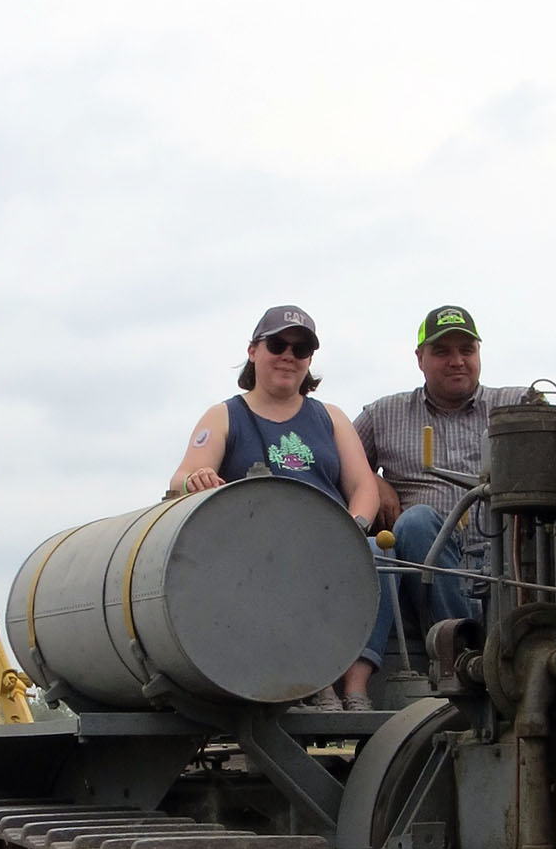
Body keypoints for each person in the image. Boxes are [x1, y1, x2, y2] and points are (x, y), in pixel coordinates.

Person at [171, 305, 386, 711]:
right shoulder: (223, 416)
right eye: (277, 344)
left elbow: (363, 486)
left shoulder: (330, 417)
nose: (289, 355)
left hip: (333, 538)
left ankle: (355, 688)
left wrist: (354, 527)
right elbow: (181, 478)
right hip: (258, 548)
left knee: (375, 556)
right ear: (253, 352)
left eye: (301, 349)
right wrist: (193, 480)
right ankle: (314, 680)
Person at [354, 304, 529, 637]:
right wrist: (372, 480)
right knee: (418, 521)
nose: (457, 361)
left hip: (512, 563)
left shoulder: (517, 405)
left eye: (467, 350)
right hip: (425, 571)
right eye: (442, 351)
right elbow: (333, 461)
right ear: (420, 358)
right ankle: (462, 649)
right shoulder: (382, 414)